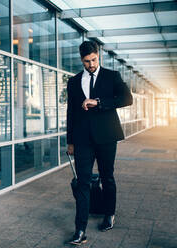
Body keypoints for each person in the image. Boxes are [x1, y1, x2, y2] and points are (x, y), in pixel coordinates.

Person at [66, 41, 133, 245]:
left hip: (106, 137)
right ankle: (80, 230)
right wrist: (70, 141)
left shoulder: (111, 76)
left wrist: (99, 102)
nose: (91, 64)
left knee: (107, 177)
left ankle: (109, 214)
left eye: (94, 60)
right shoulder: (74, 81)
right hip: (82, 140)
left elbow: (127, 99)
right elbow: (71, 113)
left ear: (99, 56)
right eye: (87, 62)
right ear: (81, 60)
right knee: (83, 183)